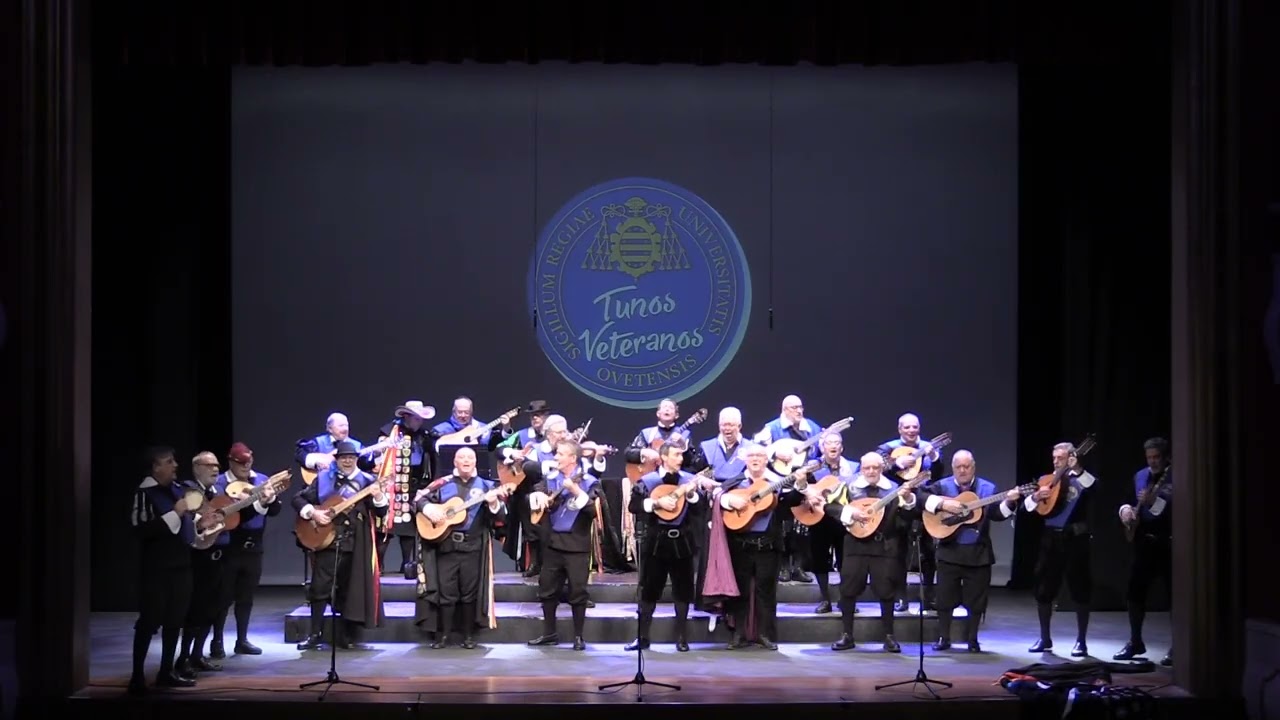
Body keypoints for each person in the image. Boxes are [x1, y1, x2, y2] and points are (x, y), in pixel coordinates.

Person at [291, 441, 388, 650]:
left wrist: (379, 496)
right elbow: (298, 499)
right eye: (343, 457)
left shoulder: (368, 480)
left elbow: (381, 512)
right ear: (337, 460)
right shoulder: (324, 478)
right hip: (328, 541)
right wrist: (313, 512)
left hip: (355, 543)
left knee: (348, 590)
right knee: (319, 588)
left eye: (351, 457)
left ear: (356, 460)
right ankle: (314, 634)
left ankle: (345, 635)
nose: (347, 461)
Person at [920, 449, 1020, 652]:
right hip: (949, 550)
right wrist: (942, 503)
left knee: (976, 600)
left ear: (973, 467)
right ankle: (944, 638)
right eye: (958, 467)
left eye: (967, 466)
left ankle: (972, 639)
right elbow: (921, 496)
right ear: (953, 468)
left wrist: (1009, 501)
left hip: (978, 552)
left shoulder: (987, 488)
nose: (963, 470)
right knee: (945, 598)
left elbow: (997, 514)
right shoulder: (942, 485)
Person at [414, 446, 509, 649]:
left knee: (469, 593)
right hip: (446, 545)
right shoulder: (443, 483)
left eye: (470, 457)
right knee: (446, 592)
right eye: (462, 457)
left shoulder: (486, 486)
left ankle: (468, 635)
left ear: (476, 462)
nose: (466, 460)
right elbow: (419, 500)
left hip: (473, 546)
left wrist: (493, 504)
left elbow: (500, 518)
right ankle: (444, 635)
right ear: (455, 462)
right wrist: (429, 508)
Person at [626, 441, 715, 651]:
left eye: (681, 455)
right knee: (648, 590)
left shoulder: (688, 479)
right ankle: (643, 638)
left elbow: (700, 509)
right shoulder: (648, 481)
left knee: (683, 591)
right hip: (655, 542)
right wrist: (656, 504)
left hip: (683, 542)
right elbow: (634, 506)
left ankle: (682, 638)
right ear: (664, 457)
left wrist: (692, 494)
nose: (680, 459)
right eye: (676, 454)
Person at [824, 452, 917, 652]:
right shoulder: (849, 486)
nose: (871, 471)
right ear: (862, 468)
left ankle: (889, 636)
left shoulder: (893, 488)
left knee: (886, 591)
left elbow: (908, 517)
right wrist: (850, 512)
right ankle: (847, 635)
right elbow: (829, 507)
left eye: (875, 467)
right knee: (848, 590)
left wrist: (908, 499)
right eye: (867, 468)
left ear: (882, 468)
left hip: (883, 548)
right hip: (855, 546)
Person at [717, 443, 805, 649]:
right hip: (740, 545)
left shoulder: (776, 482)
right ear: (746, 460)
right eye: (752, 455)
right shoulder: (736, 482)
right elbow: (716, 497)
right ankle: (738, 634)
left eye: (760, 455)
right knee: (739, 592)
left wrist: (801, 485)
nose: (755, 459)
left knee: (766, 592)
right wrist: (729, 501)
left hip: (768, 546)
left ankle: (765, 634)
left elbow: (791, 500)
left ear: (767, 460)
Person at [128, 446, 197, 694]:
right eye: (169, 461)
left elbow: (185, 524)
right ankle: (137, 676)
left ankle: (166, 671)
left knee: (174, 621)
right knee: (149, 622)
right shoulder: (145, 493)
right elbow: (141, 529)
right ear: (156, 467)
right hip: (157, 570)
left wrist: (199, 523)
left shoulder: (177, 489)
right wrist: (175, 513)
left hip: (181, 566)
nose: (175, 465)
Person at [523, 439, 603, 650]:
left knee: (578, 592)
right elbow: (531, 498)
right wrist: (537, 497)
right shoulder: (549, 479)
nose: (555, 457)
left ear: (572, 459)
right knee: (547, 590)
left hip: (577, 546)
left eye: (560, 454)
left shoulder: (590, 481)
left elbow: (594, 511)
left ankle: (578, 637)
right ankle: (549, 633)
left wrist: (576, 491)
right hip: (551, 544)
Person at [1025, 441, 1098, 656]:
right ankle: (1045, 638)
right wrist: (1036, 496)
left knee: (1080, 588)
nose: (1056, 461)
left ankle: (1081, 641)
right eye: (1054, 458)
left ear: (1071, 458)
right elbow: (1028, 506)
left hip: (1075, 539)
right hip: (1050, 539)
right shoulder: (1047, 481)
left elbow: (1095, 488)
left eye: (1060, 458)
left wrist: (1078, 469)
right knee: (1044, 588)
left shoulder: (1082, 479)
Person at [208, 442, 280, 658]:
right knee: (223, 596)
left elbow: (275, 510)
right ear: (231, 461)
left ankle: (242, 639)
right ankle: (217, 640)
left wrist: (270, 498)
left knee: (246, 597)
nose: (246, 466)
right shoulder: (220, 483)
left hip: (254, 546)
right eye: (241, 463)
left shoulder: (260, 480)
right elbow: (223, 513)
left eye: (249, 462)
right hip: (230, 546)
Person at [1115, 437, 1173, 666]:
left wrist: (1152, 502)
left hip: (1169, 543)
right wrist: (1125, 512)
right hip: (1144, 543)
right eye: (1149, 458)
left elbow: (1174, 509)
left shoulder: (1176, 476)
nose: (1153, 462)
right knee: (1134, 593)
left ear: (1166, 457)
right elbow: (1127, 500)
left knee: (1174, 597)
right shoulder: (1140, 475)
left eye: (1157, 457)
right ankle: (1135, 641)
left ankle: (1178, 646)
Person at [878, 413, 940, 611]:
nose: (912, 430)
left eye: (915, 427)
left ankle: (928, 597)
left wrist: (934, 457)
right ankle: (901, 597)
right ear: (899, 429)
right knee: (898, 552)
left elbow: (937, 475)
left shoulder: (928, 447)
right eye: (907, 427)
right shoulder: (888, 447)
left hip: (923, 502)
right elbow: (876, 466)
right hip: (898, 503)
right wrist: (897, 464)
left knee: (928, 551)